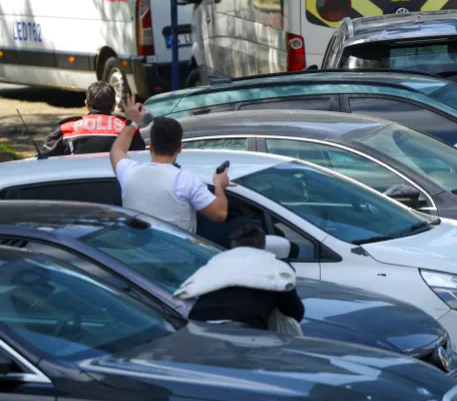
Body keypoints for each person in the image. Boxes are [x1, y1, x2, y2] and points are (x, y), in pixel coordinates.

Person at [109, 98, 229, 232]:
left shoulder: (129, 172)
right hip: (177, 252)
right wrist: (219, 184)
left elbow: (117, 150)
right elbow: (220, 214)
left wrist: (133, 122)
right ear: (179, 147)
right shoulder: (186, 181)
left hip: (136, 252)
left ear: (151, 146)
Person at [179, 224, 305, 330]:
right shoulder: (273, 268)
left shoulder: (215, 263)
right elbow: (295, 312)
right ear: (263, 245)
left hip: (199, 320)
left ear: (232, 245)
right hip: (247, 325)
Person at [41, 81, 146, 157]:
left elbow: (45, 158)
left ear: (87, 104)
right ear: (114, 106)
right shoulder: (128, 129)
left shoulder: (66, 128)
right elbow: (140, 158)